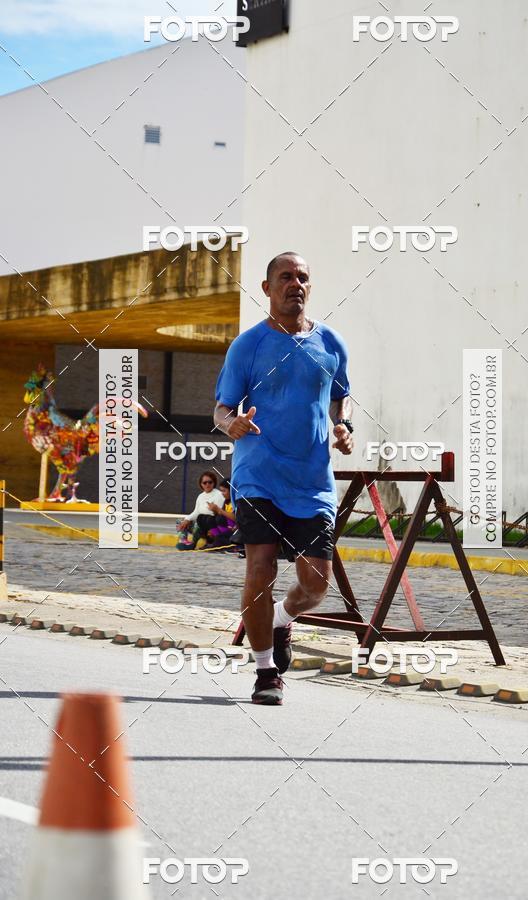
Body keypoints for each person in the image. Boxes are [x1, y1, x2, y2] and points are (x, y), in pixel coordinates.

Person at [214, 251, 353, 705]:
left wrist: (343, 425)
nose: (296, 284)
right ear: (267, 288)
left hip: (312, 482)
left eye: (303, 277)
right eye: (286, 277)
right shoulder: (248, 345)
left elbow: (341, 395)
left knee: (316, 583)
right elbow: (221, 408)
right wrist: (231, 424)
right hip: (259, 476)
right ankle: (265, 671)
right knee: (261, 568)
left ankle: (280, 618)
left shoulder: (330, 342)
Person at [178, 471, 223, 549]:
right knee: (180, 522)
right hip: (200, 523)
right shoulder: (200, 496)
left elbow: (218, 514)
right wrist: (187, 519)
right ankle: (184, 542)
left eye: (210, 482)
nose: (207, 484)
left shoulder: (219, 495)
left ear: (214, 483)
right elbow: (196, 511)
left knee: (199, 521)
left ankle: (193, 543)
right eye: (204, 483)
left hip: (211, 527)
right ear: (201, 484)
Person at [206, 479, 237, 549]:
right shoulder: (226, 501)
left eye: (224, 491)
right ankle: (217, 540)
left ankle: (222, 542)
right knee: (210, 519)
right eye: (221, 491)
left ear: (231, 491)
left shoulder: (236, 502)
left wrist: (219, 510)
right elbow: (221, 514)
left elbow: (236, 517)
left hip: (234, 529)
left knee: (220, 518)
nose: (222, 493)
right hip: (226, 528)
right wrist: (214, 510)